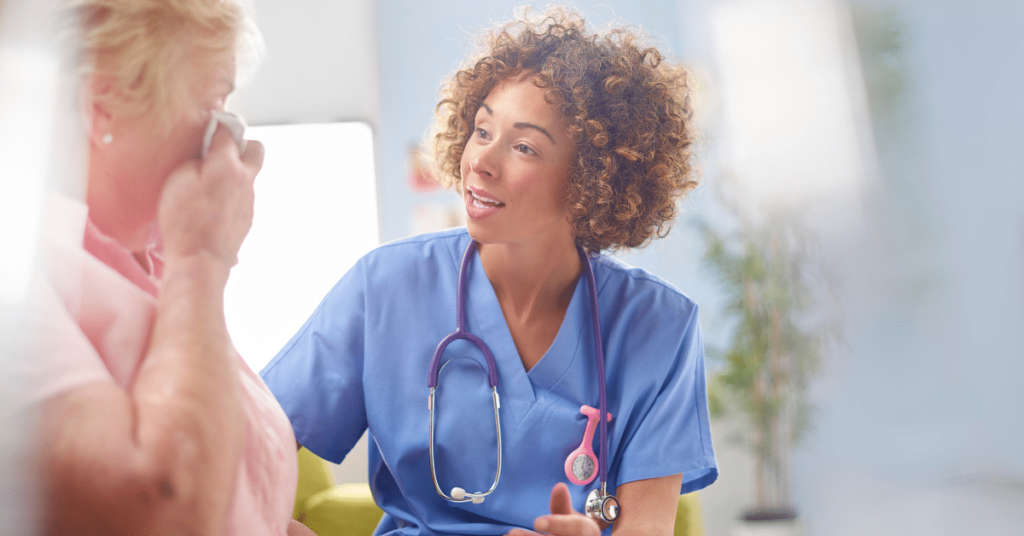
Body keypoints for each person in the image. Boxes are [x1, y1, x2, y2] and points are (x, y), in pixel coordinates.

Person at [261, 7, 717, 536]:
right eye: (482, 129)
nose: (482, 160)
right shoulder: (386, 286)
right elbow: (247, 447)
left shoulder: (659, 327)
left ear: (595, 179)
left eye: (523, 146)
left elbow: (647, 528)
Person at [15, 0, 315, 534]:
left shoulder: (150, 270)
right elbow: (160, 508)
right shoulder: (19, 280)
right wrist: (202, 259)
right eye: (214, 104)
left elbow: (246, 501)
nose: (231, 141)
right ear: (102, 106)